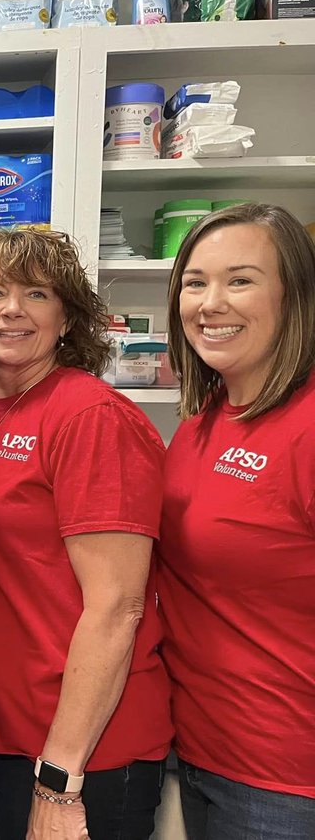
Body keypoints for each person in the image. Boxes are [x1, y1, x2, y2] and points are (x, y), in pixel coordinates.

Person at [0, 228, 171, 840]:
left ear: (69, 318)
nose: (12, 309)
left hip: (86, 752)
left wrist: (60, 776)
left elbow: (118, 606)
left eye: (37, 293)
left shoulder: (91, 416)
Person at [158, 203, 315, 839]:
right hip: (198, 752)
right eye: (195, 283)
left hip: (285, 780)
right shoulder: (201, 424)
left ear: (295, 296)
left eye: (241, 280)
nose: (210, 303)